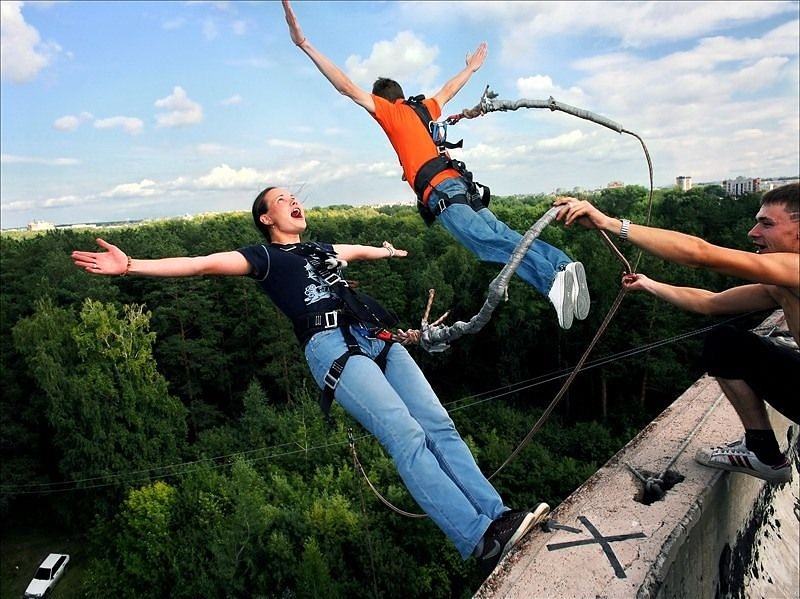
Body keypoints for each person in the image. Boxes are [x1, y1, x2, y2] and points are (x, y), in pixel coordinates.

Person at [70, 186, 550, 575]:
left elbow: (355, 251)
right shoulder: (264, 258)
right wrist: (131, 265)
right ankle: (479, 540)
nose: (294, 200)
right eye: (282, 199)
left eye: (294, 196)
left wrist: (384, 251)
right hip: (332, 347)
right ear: (265, 218)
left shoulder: (320, 249)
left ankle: (501, 517)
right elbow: (201, 263)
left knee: (438, 425)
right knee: (406, 434)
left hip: (376, 335)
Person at [280, 0, 590, 330]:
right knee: (504, 234)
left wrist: (305, 44)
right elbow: (448, 90)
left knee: (486, 244)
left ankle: (551, 282)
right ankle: (563, 265)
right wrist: (470, 69)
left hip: (442, 191)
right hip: (462, 186)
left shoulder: (390, 111)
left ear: (383, 99)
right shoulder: (423, 110)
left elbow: (345, 86)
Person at [555, 183, 799, 483]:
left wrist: (609, 223)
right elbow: (710, 302)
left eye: (766, 224)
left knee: (727, 344)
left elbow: (700, 254)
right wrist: (650, 284)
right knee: (725, 344)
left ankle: (764, 455)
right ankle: (763, 453)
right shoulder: (781, 285)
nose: (753, 232)